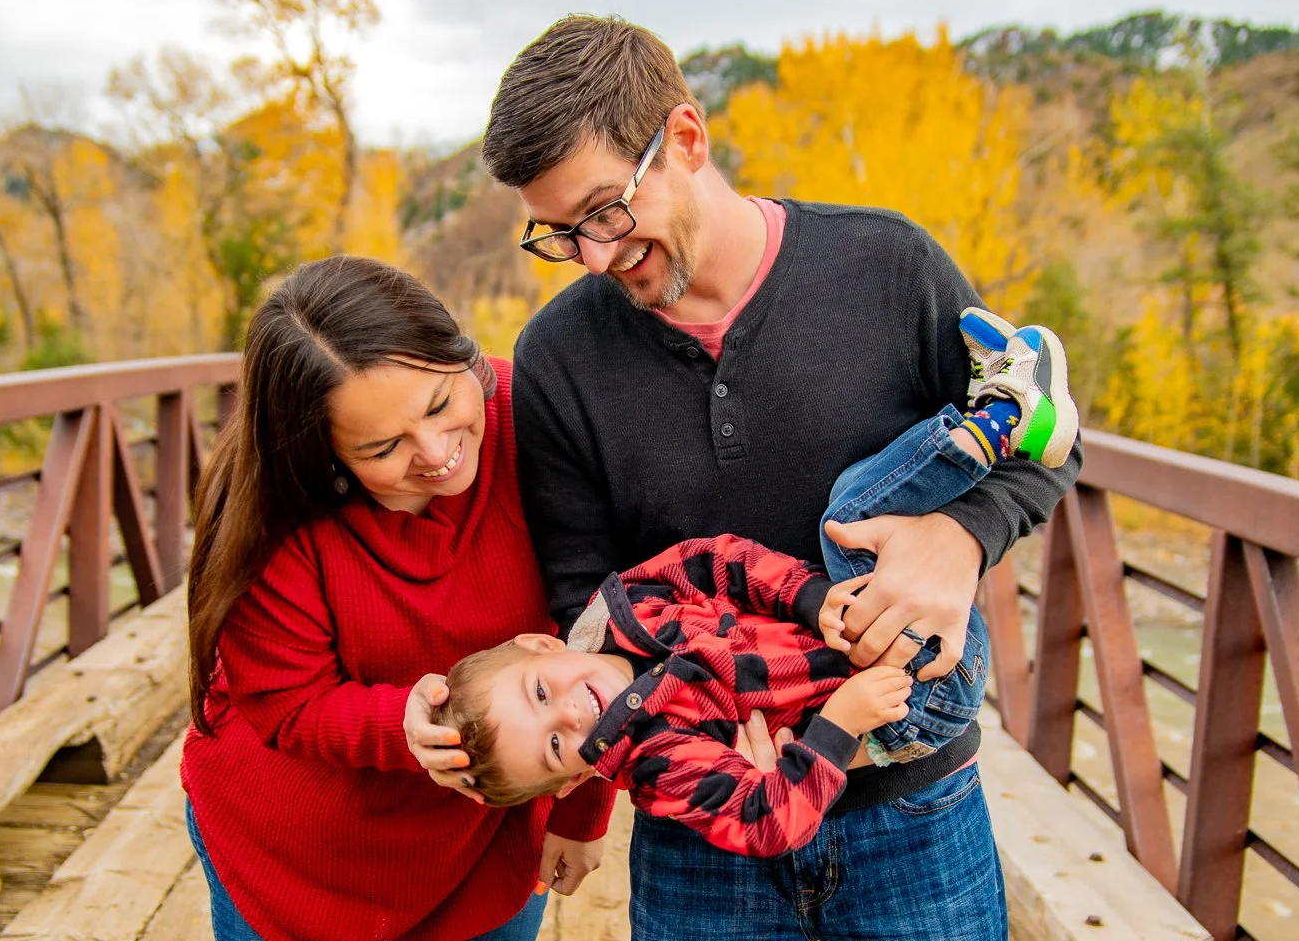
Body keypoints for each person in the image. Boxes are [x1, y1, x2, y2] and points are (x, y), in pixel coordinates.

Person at [407, 17, 1082, 941]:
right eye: (559, 234)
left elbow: (1041, 447)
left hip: (914, 804)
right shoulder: (559, 355)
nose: (593, 255)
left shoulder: (886, 266)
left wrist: (958, 537)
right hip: (702, 830)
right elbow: (583, 595)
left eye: (604, 211)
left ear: (684, 137)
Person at [179, 256, 614, 941]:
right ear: (322, 455)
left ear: (461, 355)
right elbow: (287, 700)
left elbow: (613, 634)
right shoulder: (271, 512)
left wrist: (584, 807)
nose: (437, 451)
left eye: (442, 401)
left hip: (482, 828)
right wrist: (399, 725)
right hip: (300, 833)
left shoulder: (533, 414)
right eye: (383, 447)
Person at [425, 318, 1080, 861]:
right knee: (850, 520)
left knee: (850, 520)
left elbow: (716, 561)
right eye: (555, 746)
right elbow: (766, 824)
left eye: (540, 693)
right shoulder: (657, 761)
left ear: (543, 645)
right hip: (911, 700)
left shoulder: (629, 605)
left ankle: (998, 420)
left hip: (902, 627)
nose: (569, 714)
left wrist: (811, 600)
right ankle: (1004, 417)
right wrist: (839, 725)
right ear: (572, 780)